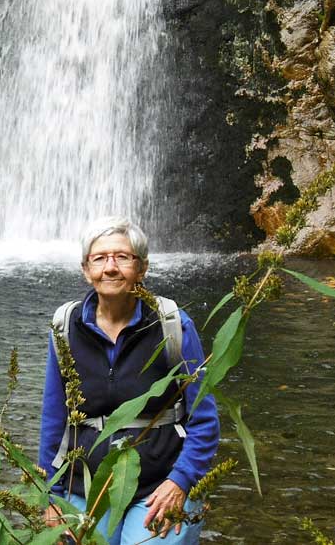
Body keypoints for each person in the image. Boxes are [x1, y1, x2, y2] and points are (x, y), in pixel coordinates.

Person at [38, 216, 219, 544]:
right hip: (89, 487)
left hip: (159, 486)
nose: (110, 268)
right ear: (85, 269)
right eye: (100, 258)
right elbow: (55, 418)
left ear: (142, 268)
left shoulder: (173, 324)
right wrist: (50, 495)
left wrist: (180, 481)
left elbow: (204, 419)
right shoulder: (65, 327)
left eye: (122, 257)